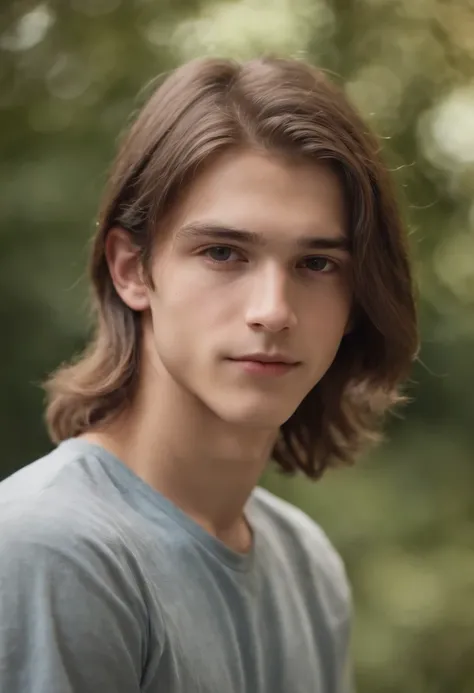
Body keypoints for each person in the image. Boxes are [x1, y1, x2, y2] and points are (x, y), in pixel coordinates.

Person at [0, 56, 418, 692]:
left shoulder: (307, 563)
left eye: (317, 264)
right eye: (224, 252)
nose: (273, 311)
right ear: (132, 270)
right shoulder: (49, 549)